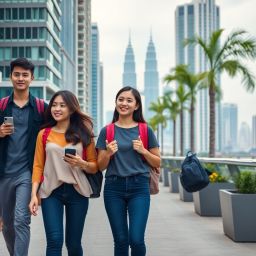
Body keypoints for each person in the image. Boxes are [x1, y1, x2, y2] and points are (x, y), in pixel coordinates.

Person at [29, 90, 98, 256]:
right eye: (54, 105)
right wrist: (33, 194)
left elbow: (95, 166)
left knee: (73, 244)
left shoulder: (84, 133)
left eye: (62, 105)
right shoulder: (43, 134)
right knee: (54, 241)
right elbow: (38, 165)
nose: (56, 109)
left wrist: (82, 163)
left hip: (78, 192)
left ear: (72, 109)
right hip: (51, 193)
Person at [96, 86, 161, 256]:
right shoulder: (107, 131)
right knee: (121, 240)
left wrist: (144, 151)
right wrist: (108, 154)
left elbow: (157, 161)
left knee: (136, 239)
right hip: (113, 188)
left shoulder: (145, 130)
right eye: (121, 99)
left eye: (129, 100)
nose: (124, 103)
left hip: (139, 187)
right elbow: (100, 166)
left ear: (137, 106)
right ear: (116, 102)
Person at [0, 58, 47, 256]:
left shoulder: (41, 107)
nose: (21, 78)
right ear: (10, 76)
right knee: (7, 224)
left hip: (26, 173)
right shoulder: (1, 106)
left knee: (21, 220)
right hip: (3, 173)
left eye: (25, 75)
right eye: (17, 74)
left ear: (32, 78)